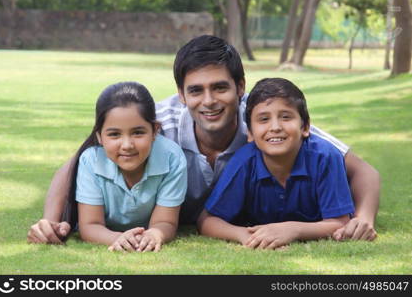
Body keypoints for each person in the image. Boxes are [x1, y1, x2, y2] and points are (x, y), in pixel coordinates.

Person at [27, 35, 379, 245]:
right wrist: (51, 219)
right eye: (196, 90)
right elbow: (77, 162)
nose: (208, 101)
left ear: (240, 88)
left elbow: (364, 171)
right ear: (181, 93)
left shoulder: (266, 122)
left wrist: (363, 218)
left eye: (220, 87)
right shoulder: (155, 124)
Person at [27, 82, 187, 252]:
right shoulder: (91, 160)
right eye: (114, 134)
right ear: (100, 136)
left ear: (155, 131)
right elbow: (90, 225)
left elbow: (166, 222)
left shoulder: (172, 157)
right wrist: (118, 239)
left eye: (138, 132)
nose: (127, 145)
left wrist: (155, 234)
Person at [198, 78, 355, 249]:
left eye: (286, 117)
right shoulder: (244, 162)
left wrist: (293, 230)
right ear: (250, 133)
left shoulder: (325, 157)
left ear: (305, 127)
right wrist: (244, 236)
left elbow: (339, 223)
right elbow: (208, 221)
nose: (275, 127)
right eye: (263, 119)